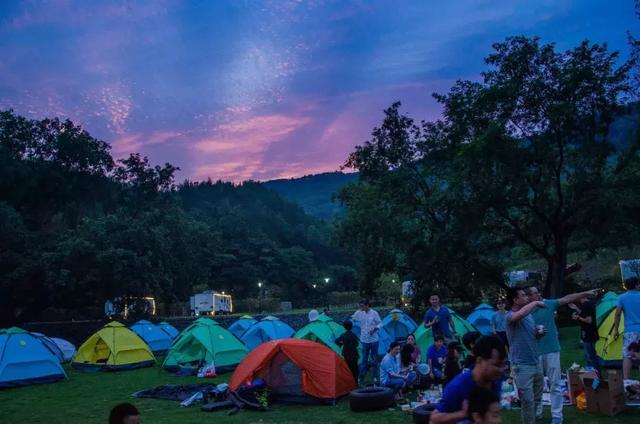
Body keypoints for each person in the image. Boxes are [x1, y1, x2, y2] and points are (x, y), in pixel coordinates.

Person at [527, 285, 600, 423]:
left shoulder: (547, 304)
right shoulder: (525, 312)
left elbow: (567, 299)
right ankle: (537, 412)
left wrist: (586, 292)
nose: (538, 295)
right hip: (534, 353)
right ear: (528, 297)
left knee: (555, 383)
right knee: (536, 385)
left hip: (552, 350)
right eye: (535, 293)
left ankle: (557, 416)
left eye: (538, 292)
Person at [430, 335, 507, 424]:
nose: (501, 370)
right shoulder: (458, 386)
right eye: (496, 365)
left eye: (503, 365)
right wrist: (463, 414)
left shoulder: (497, 379)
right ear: (479, 360)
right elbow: (434, 419)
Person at [504, 287, 545, 424]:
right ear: (515, 300)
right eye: (523, 296)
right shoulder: (509, 316)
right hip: (521, 365)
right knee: (527, 401)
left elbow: (531, 335)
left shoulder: (529, 316)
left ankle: (533, 420)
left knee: (537, 398)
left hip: (535, 361)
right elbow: (518, 315)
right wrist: (535, 303)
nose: (527, 297)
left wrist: (538, 334)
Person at [613, 277, 640, 379]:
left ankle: (626, 380)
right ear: (636, 285)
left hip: (630, 331)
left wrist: (616, 329)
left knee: (628, 355)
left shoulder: (621, 298)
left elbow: (617, 314)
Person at [351, 299, 382, 385]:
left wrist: (375, 329)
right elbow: (352, 318)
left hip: (374, 340)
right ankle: (361, 379)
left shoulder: (374, 313)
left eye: (362, 306)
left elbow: (380, 323)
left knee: (375, 359)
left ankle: (375, 378)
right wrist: (354, 316)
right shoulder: (359, 313)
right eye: (360, 306)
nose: (361, 308)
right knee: (364, 360)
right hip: (364, 340)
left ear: (367, 305)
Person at [568, 296, 600, 374]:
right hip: (592, 333)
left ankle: (594, 376)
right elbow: (585, 314)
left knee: (590, 357)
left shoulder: (586, 305)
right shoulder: (589, 304)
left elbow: (589, 320)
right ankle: (594, 375)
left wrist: (578, 317)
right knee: (592, 356)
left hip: (589, 334)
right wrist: (576, 308)